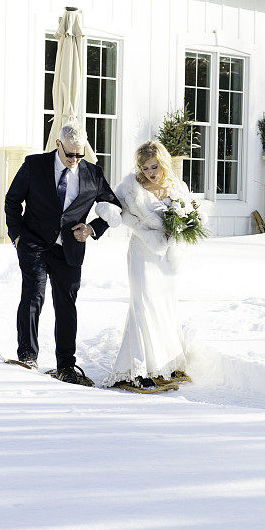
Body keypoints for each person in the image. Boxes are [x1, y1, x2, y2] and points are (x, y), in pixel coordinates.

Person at [5, 123, 122, 384]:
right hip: (33, 244)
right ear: (58, 144)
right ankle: (27, 357)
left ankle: (66, 367)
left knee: (66, 305)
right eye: (70, 154)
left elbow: (114, 206)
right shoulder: (34, 165)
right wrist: (16, 235)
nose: (75, 160)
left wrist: (92, 228)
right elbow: (13, 200)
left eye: (80, 154)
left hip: (69, 249)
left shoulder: (93, 173)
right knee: (33, 295)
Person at [104, 141, 196, 389]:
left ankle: (166, 365)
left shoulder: (177, 186)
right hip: (142, 252)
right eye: (145, 168)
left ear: (163, 162)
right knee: (142, 306)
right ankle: (137, 370)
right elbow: (115, 209)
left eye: (154, 166)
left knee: (164, 307)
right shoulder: (131, 187)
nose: (150, 173)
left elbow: (190, 216)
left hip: (167, 257)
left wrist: (180, 227)